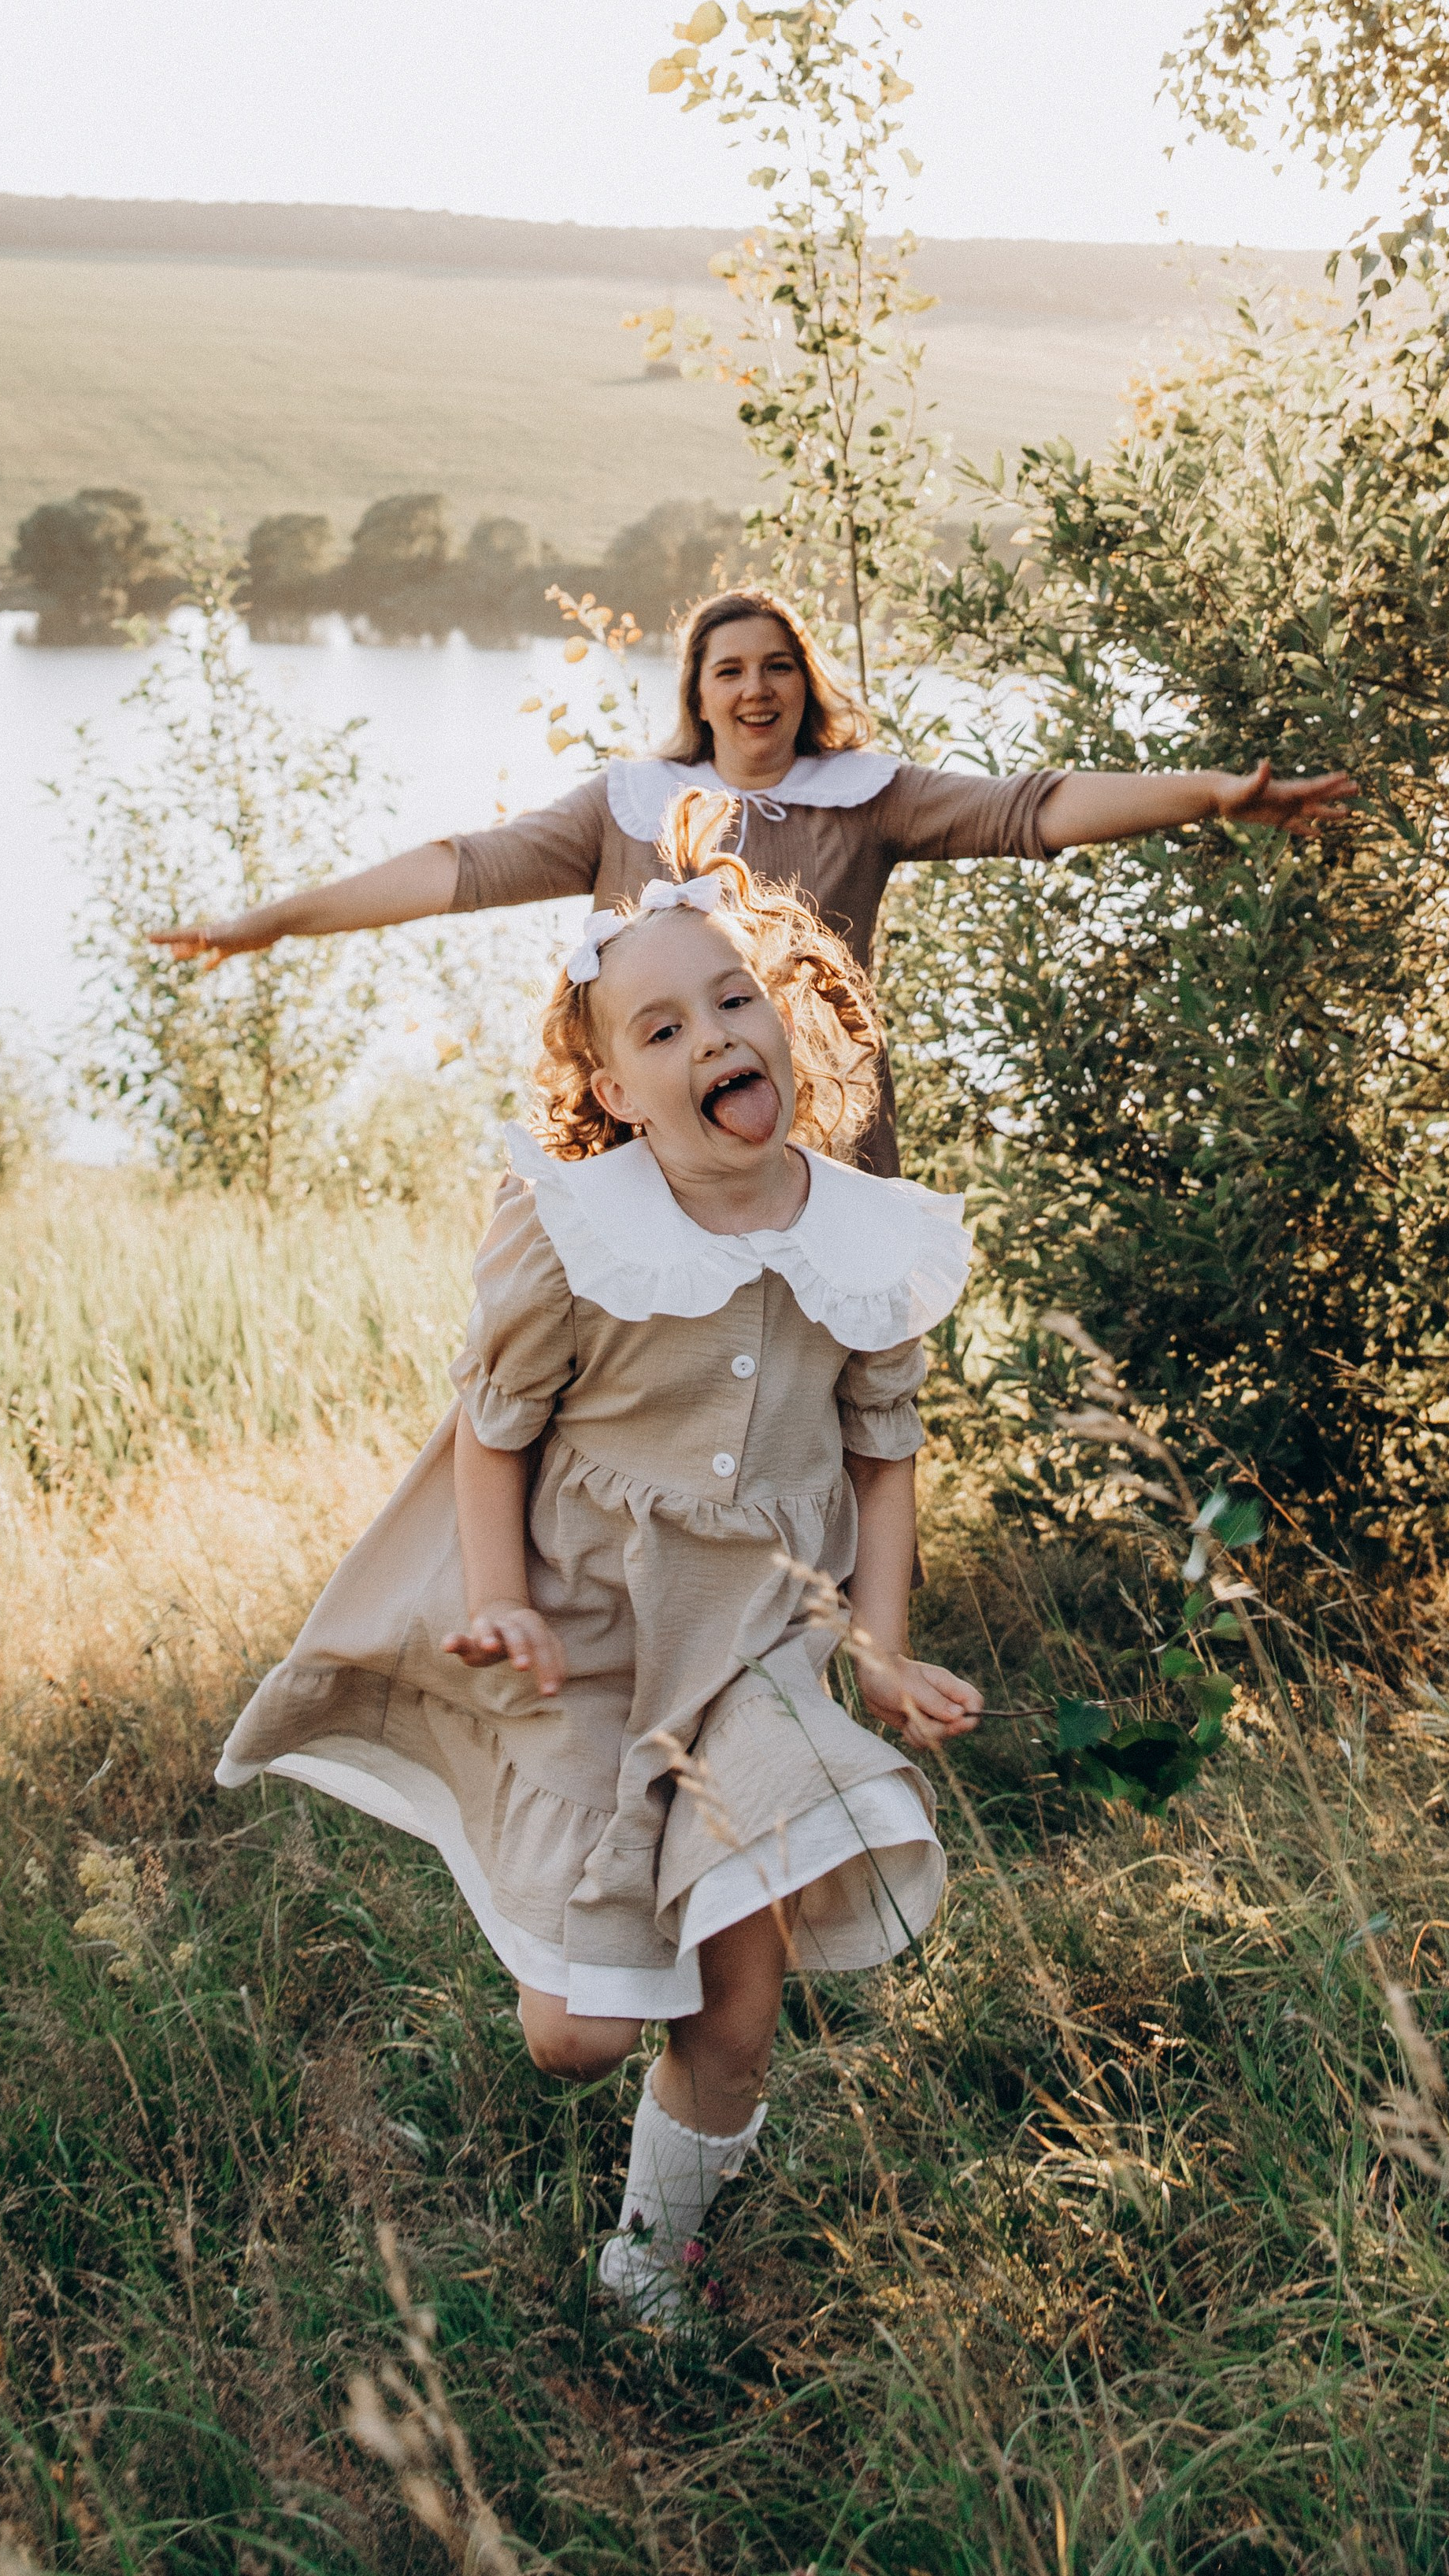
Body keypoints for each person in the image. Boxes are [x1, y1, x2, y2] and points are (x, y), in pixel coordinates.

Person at [217, 792, 984, 2322]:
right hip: (587, 1633)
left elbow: (884, 1453)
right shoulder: (578, 1229)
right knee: (572, 2032)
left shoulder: (866, 1237)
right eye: (658, 1029)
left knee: (736, 1996)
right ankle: (568, 1943)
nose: (707, 1038)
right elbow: (493, 1431)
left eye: (729, 1001)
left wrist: (883, 1646)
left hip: (763, 1647)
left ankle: (653, 2264)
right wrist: (497, 1598)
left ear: (781, 1017)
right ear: (618, 1089)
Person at [155, 585, 1358, 1173]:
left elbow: (1034, 805)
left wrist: (1211, 792)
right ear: (699, 692)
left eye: (777, 666)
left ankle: (847, 1647)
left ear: (801, 681)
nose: (755, 688)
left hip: (825, 1142)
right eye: (729, 669)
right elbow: (451, 869)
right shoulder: (622, 808)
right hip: (657, 1152)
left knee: (834, 1409)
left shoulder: (869, 794)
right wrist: (272, 923)